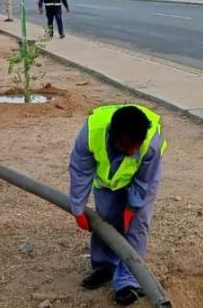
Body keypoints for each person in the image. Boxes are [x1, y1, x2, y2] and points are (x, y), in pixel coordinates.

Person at [69, 104, 166, 306]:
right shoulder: (91, 132)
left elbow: (144, 181)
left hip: (141, 180)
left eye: (136, 146)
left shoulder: (151, 143)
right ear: (113, 136)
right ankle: (105, 266)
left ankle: (128, 280)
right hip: (107, 181)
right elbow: (80, 170)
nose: (133, 151)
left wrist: (132, 208)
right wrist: (78, 208)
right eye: (127, 146)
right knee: (105, 221)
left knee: (137, 227)